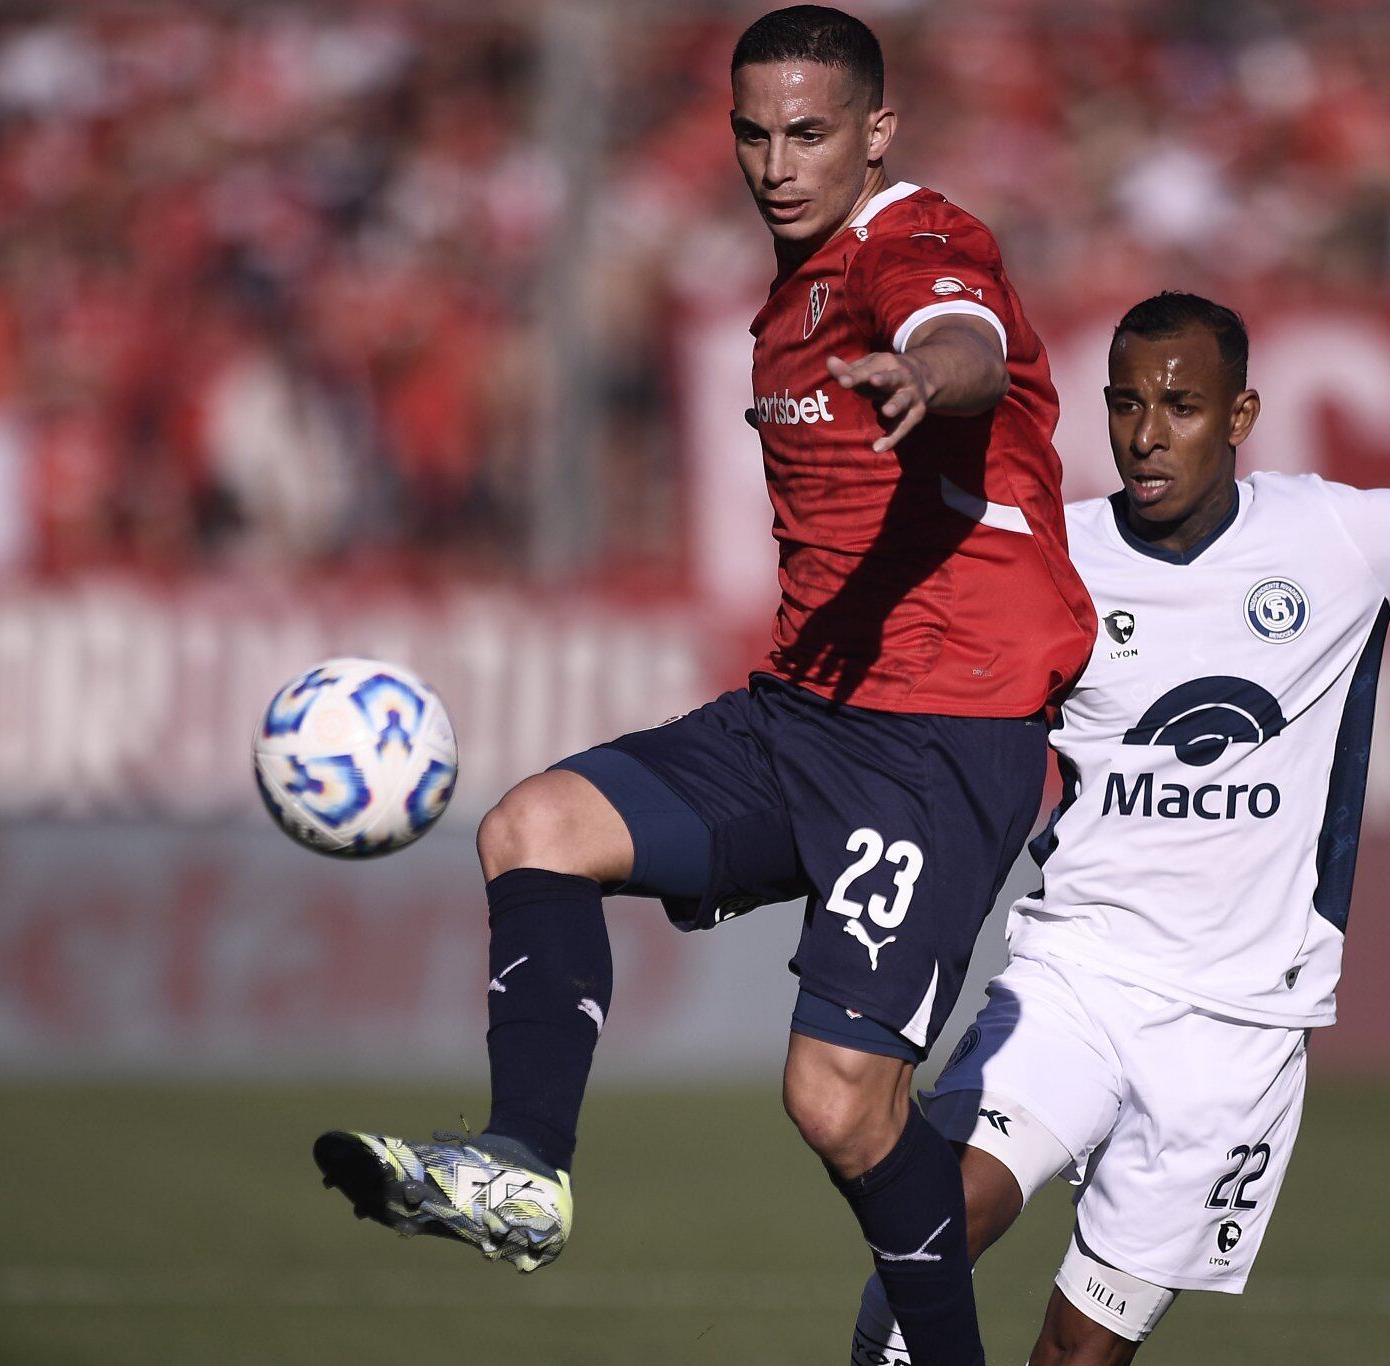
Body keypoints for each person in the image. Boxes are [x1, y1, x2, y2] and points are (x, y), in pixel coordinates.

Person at [312, 7, 1093, 1363]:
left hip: (942, 731)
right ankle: (525, 1164)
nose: (777, 162)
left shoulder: (915, 243)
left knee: (841, 1103)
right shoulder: (782, 309)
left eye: (810, 133)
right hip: (804, 711)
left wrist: (924, 371)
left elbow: (959, 333)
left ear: (876, 132)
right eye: (754, 133)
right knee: (533, 827)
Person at [846, 291, 1390, 1366]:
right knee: (937, 1222)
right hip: (1078, 973)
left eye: (1180, 406)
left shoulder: (1342, 535)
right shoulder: (1052, 559)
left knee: (1077, 1352)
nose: (1145, 435)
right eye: (1123, 405)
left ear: (1240, 414)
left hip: (1240, 1025)